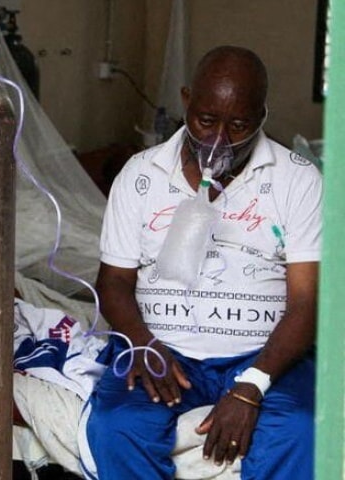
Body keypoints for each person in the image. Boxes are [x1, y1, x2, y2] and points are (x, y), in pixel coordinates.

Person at [79, 46, 321, 479]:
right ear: (187, 101)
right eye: (207, 121)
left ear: (262, 116)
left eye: (239, 125)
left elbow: (307, 302)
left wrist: (252, 386)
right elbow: (113, 282)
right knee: (116, 426)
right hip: (163, 348)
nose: (219, 140)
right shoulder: (140, 175)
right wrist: (143, 343)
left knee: (301, 430)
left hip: (260, 352)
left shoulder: (298, 180)